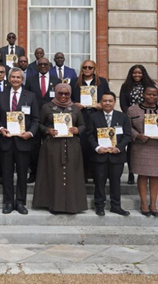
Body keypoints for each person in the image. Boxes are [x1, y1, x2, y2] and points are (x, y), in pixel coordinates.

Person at [33, 83, 87, 214]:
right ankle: (54, 205)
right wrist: (47, 130)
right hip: (52, 146)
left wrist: (77, 130)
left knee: (71, 176)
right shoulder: (47, 107)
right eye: (60, 93)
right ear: (56, 93)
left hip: (71, 146)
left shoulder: (75, 108)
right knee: (54, 174)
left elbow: (83, 125)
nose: (63, 96)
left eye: (66, 94)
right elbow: (39, 124)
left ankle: (72, 206)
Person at [0, 68, 39, 215]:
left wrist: (30, 133)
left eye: (18, 77)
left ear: (23, 79)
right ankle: (8, 202)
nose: (15, 79)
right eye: (13, 77)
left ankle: (20, 202)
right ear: (9, 78)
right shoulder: (1, 96)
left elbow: (36, 120)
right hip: (6, 140)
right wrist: (1, 129)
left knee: (22, 174)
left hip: (23, 141)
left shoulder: (31, 96)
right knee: (6, 173)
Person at [127, 86, 158, 217]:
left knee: (154, 175)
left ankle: (153, 204)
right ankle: (143, 203)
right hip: (141, 146)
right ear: (143, 94)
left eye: (154, 95)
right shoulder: (133, 109)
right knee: (143, 174)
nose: (151, 97)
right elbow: (128, 127)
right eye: (149, 94)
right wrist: (137, 135)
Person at [87, 91, 132, 216]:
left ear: (114, 102)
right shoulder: (94, 116)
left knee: (115, 182)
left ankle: (116, 206)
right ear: (101, 102)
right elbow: (89, 135)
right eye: (105, 100)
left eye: (110, 101)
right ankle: (99, 206)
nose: (107, 103)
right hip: (99, 155)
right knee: (99, 182)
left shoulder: (122, 117)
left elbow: (127, 135)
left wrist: (118, 148)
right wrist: (97, 148)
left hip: (116, 156)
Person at [72, 59, 110, 183]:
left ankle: (96, 174)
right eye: (85, 67)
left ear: (94, 70)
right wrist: (74, 104)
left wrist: (101, 104)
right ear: (82, 69)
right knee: (83, 145)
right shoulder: (75, 82)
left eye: (90, 67)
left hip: (96, 115)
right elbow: (68, 100)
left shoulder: (102, 82)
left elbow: (108, 98)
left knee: (96, 143)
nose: (87, 69)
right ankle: (83, 174)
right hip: (81, 116)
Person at [25, 57, 61, 183]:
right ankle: (34, 172)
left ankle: (49, 173)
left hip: (51, 118)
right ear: (37, 66)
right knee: (34, 147)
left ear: (49, 66)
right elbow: (26, 98)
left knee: (50, 147)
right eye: (40, 64)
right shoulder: (30, 80)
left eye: (45, 64)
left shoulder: (57, 81)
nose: (43, 66)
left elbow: (60, 99)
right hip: (34, 118)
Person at [120, 64, 157, 184]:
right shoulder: (125, 87)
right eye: (134, 73)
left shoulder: (150, 86)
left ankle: (146, 171)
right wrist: (130, 115)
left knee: (146, 146)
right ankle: (131, 174)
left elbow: (154, 101)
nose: (137, 75)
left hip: (148, 118)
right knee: (131, 147)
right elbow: (123, 104)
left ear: (143, 74)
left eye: (139, 73)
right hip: (130, 118)